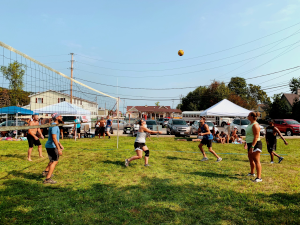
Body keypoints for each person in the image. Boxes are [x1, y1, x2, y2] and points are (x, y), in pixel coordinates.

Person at [43, 113, 64, 184]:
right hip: (52, 146)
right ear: (57, 118)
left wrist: (60, 144)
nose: (62, 117)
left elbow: (55, 138)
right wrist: (58, 149)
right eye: (60, 116)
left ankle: (46, 172)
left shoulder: (54, 125)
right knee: (55, 161)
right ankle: (47, 179)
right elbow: (54, 138)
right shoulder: (54, 126)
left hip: (50, 145)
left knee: (52, 160)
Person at [245, 112, 262, 182]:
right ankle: (252, 173)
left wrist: (252, 146)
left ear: (252, 117)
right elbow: (248, 135)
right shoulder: (250, 124)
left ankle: (259, 178)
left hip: (256, 144)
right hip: (250, 144)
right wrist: (246, 143)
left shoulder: (255, 125)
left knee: (257, 161)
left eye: (248, 115)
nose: (247, 116)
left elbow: (256, 136)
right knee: (250, 159)